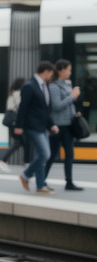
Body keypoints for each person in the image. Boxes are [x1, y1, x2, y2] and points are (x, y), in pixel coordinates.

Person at [16, 61, 59, 194]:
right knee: (45, 154)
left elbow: (44, 110)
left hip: (42, 126)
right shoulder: (29, 86)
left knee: (41, 155)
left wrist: (51, 124)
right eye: (51, 73)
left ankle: (40, 186)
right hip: (32, 126)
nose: (51, 76)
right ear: (46, 71)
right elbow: (22, 107)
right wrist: (18, 125)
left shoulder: (43, 86)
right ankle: (25, 176)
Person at [45, 59, 84, 191]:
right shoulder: (53, 86)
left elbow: (68, 105)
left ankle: (69, 182)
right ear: (61, 70)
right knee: (52, 154)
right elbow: (57, 106)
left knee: (70, 154)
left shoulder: (68, 84)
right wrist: (72, 96)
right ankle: (42, 181)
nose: (70, 72)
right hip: (58, 126)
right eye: (68, 69)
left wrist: (75, 111)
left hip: (69, 125)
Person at [0, 77, 27, 172]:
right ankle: (4, 161)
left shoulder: (12, 93)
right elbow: (20, 105)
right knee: (21, 142)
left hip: (11, 120)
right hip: (15, 121)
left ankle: (25, 162)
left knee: (20, 143)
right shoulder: (17, 93)